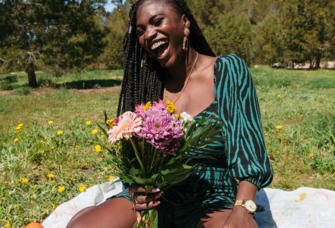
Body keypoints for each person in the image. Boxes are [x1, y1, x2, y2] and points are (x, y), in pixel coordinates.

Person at [67, 0, 273, 227]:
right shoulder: (148, 85)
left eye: (157, 22)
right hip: (155, 196)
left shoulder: (226, 70)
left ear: (185, 22)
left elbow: (249, 151)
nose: (149, 34)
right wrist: (135, 188)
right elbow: (134, 159)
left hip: (211, 197)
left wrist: (244, 207)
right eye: (141, 30)